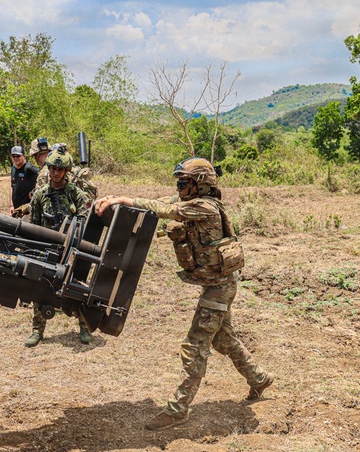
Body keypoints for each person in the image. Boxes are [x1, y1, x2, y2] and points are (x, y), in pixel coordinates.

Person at [94, 157, 273, 430]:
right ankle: (258, 378)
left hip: (219, 287)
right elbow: (163, 202)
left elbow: (165, 209)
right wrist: (119, 199)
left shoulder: (204, 207)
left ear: (199, 185)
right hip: (219, 283)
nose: (178, 188)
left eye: (183, 183)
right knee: (223, 339)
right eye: (178, 183)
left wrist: (126, 200)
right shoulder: (191, 203)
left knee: (195, 345)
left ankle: (178, 409)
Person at [26, 150, 92, 347]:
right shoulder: (40, 195)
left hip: (71, 248)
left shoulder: (76, 195)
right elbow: (33, 226)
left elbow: (83, 223)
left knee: (78, 286)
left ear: (66, 171)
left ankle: (84, 326)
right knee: (39, 287)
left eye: (60, 169)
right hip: (47, 249)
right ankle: (37, 330)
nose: (56, 173)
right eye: (53, 168)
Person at [9, 145, 38, 218]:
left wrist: (33, 193)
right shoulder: (13, 169)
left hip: (27, 210)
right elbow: (12, 187)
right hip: (16, 210)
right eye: (13, 156)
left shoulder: (29, 169)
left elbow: (42, 182)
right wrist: (12, 206)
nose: (15, 158)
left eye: (18, 156)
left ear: (24, 156)